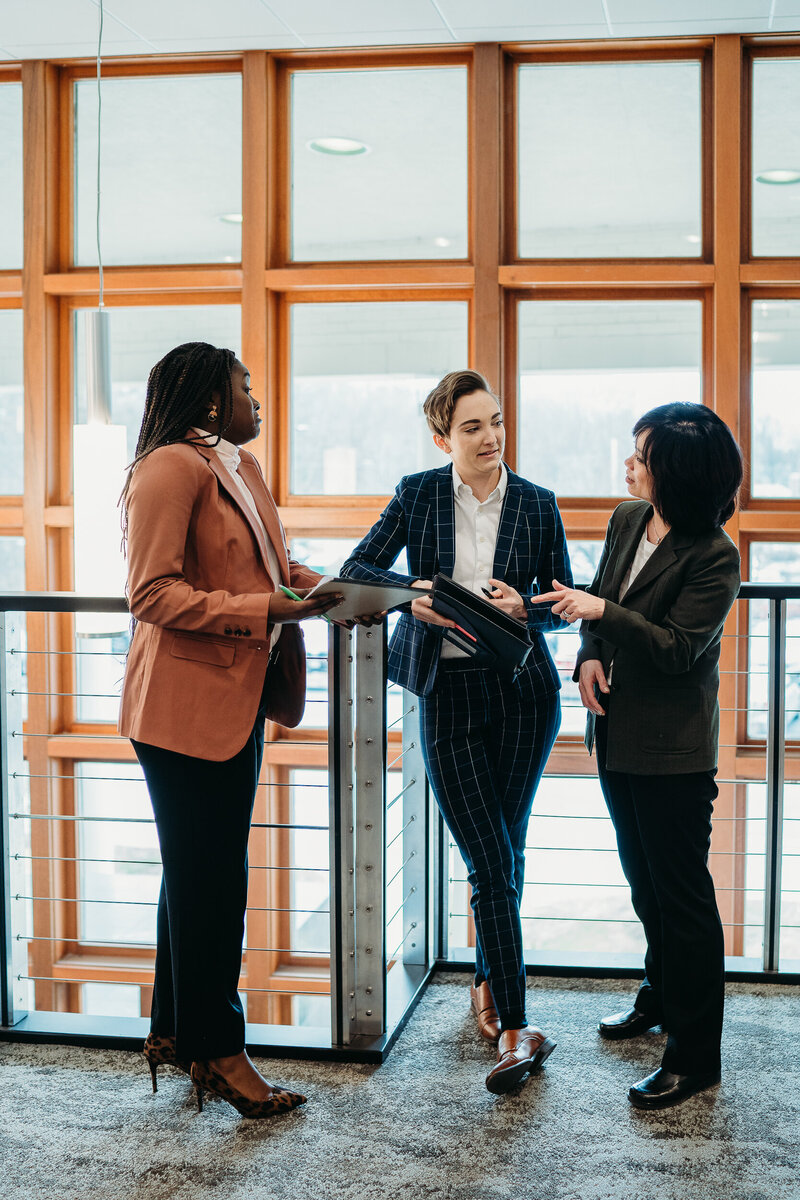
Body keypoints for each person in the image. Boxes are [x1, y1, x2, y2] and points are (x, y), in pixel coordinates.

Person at [118, 341, 343, 1119]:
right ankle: (220, 1052)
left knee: (198, 872)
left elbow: (267, 571)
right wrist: (269, 611)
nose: (258, 399)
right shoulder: (169, 469)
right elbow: (151, 594)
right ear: (212, 400)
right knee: (213, 881)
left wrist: (330, 590)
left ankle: (177, 1034)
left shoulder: (240, 469)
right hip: (179, 712)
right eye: (247, 387)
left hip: (235, 700)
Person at [341, 369, 573, 1094]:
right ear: (443, 436)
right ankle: (517, 1024)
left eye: (497, 421)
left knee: (505, 848)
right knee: (491, 859)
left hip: (524, 698)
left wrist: (522, 607)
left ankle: (490, 984)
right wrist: (415, 598)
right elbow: (357, 569)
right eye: (473, 427)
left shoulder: (538, 503)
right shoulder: (417, 494)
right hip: (447, 696)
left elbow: (564, 595)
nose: (491, 437)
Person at [533, 402, 743, 1111]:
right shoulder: (628, 518)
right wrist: (589, 655)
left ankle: (695, 1059)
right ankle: (659, 999)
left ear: (676, 474)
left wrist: (600, 618)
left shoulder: (714, 554)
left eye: (642, 456)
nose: (630, 465)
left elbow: (679, 649)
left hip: (674, 751)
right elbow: (603, 597)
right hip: (617, 734)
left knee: (682, 902)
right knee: (644, 886)